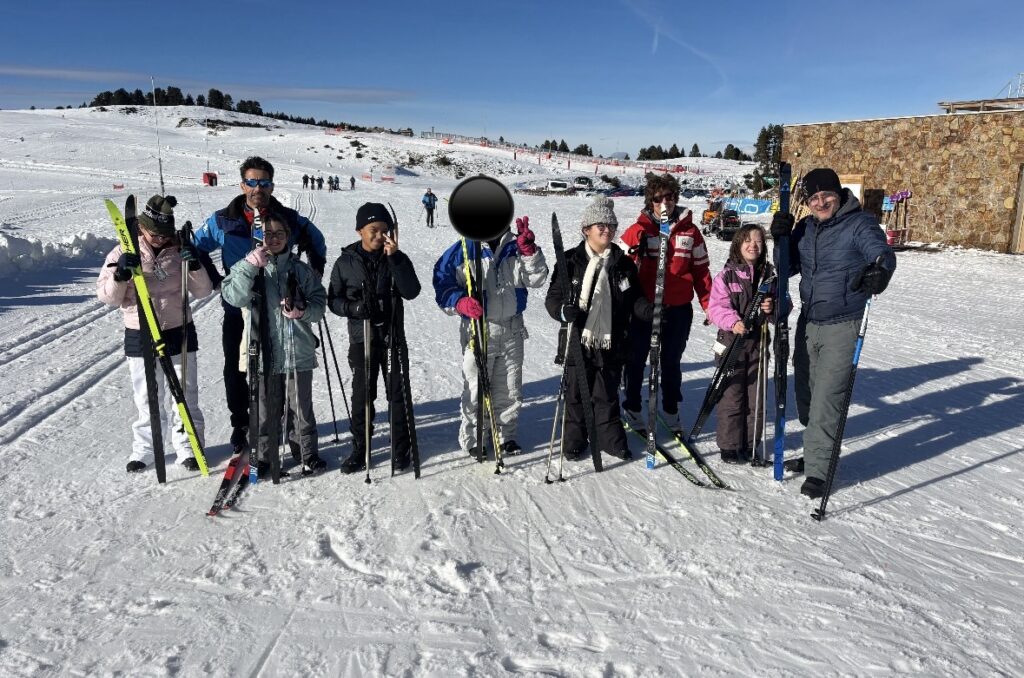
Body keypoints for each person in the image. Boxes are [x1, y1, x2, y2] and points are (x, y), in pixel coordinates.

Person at [770, 167, 896, 499]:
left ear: (838, 194)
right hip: (809, 321)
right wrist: (780, 238)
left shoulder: (860, 224)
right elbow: (786, 267)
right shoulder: (806, 228)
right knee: (807, 396)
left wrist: (881, 271)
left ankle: (819, 470)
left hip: (843, 322)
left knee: (828, 398)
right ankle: (814, 453)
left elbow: (881, 252)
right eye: (814, 198)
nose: (821, 202)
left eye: (826, 195)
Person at [192, 156, 327, 453]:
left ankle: (283, 426)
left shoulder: (287, 218)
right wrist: (216, 279)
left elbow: (316, 240)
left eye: (264, 182)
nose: (258, 188)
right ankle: (242, 423)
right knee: (237, 367)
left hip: (277, 309)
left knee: (278, 368)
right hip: (239, 307)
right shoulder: (223, 220)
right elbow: (195, 246)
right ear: (242, 184)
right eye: (251, 182)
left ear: (271, 185)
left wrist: (314, 271)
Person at [97, 195, 213, 473]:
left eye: (165, 234)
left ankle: (188, 446)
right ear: (141, 228)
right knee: (148, 396)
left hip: (179, 331)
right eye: (155, 234)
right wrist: (120, 275)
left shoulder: (181, 249)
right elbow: (107, 298)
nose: (161, 239)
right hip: (141, 332)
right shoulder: (121, 252)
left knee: (185, 394)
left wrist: (194, 265)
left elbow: (203, 292)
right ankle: (146, 448)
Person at [220, 212, 328, 477]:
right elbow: (233, 297)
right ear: (259, 237)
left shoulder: (299, 269)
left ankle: (306, 453)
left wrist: (303, 311)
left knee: (300, 408)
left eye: (280, 233)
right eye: (268, 234)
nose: (274, 238)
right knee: (264, 409)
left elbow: (319, 304)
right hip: (261, 352)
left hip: (296, 351)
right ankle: (264, 455)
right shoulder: (246, 267)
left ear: (288, 237)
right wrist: (248, 266)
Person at [544, 196, 651, 461]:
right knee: (577, 394)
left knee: (606, 394)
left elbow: (634, 299)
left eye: (610, 225)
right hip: (576, 338)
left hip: (611, 341)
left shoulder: (622, 263)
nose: (606, 230)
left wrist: (649, 310)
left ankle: (610, 441)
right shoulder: (570, 261)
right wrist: (561, 311)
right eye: (599, 225)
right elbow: (553, 297)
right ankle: (575, 441)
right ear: (586, 230)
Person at [432, 215, 548, 458]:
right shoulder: (462, 250)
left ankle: (506, 436)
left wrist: (529, 253)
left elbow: (537, 279)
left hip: (512, 328)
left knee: (509, 386)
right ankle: (475, 438)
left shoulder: (516, 246)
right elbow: (442, 286)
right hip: (478, 329)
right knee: (476, 387)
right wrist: (459, 301)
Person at [328, 203, 421, 473]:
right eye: (373, 230)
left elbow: (411, 291)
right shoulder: (345, 262)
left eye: (384, 229)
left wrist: (395, 259)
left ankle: (399, 449)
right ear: (360, 231)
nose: (380, 235)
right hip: (362, 339)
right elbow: (333, 300)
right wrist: (353, 308)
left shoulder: (396, 257)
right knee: (362, 396)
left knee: (398, 395)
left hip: (392, 338)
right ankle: (360, 449)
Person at [619, 173, 713, 433]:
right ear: (651, 201)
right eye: (658, 198)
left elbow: (701, 271)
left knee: (671, 362)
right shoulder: (640, 228)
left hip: (678, 308)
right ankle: (633, 407)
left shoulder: (690, 231)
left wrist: (708, 304)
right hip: (644, 308)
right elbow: (619, 267)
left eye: (669, 197)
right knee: (636, 359)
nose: (664, 202)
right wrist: (634, 252)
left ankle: (671, 410)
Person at [706, 224, 775, 464]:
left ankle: (750, 443)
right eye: (747, 240)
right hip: (732, 342)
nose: (752, 245)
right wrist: (733, 322)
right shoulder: (727, 275)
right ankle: (729, 445)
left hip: (758, 341)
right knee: (732, 396)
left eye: (758, 241)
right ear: (738, 244)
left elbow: (784, 304)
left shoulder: (770, 275)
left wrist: (773, 308)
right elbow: (715, 308)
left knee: (756, 397)